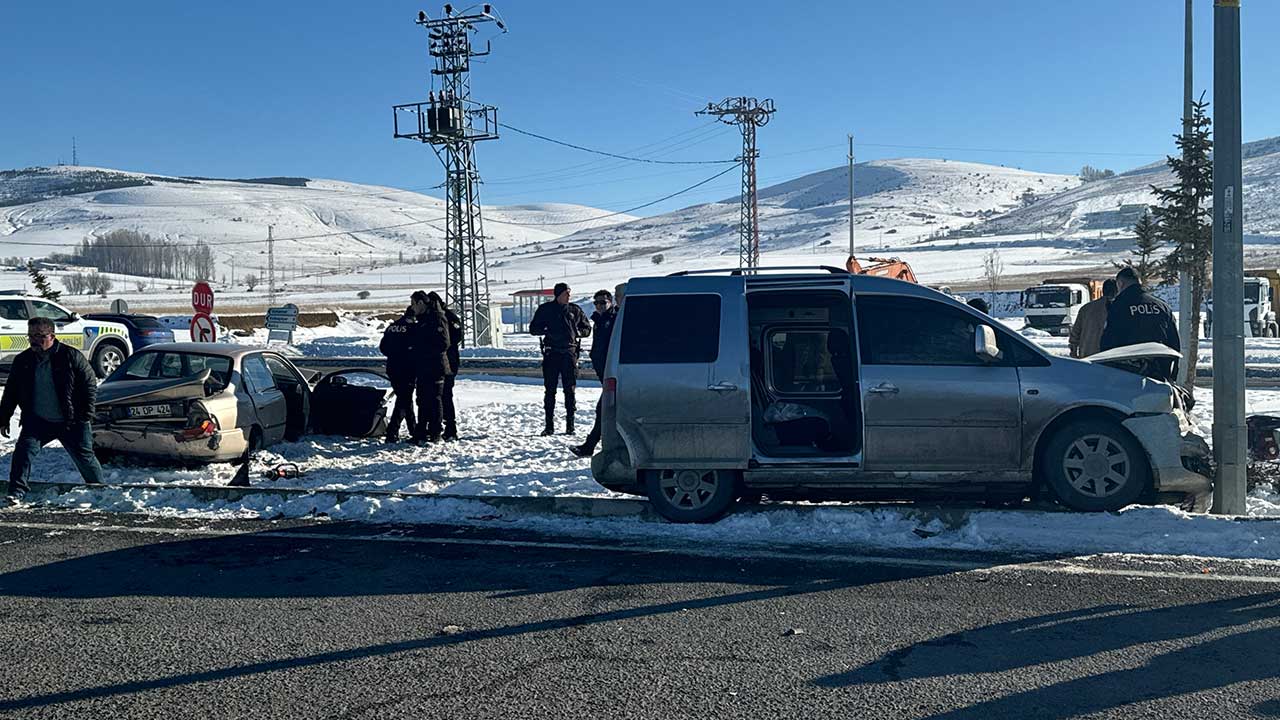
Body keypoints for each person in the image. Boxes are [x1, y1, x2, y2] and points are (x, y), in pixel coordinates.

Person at [0, 317, 104, 504]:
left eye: (40, 336)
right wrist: (4, 417)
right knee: (23, 453)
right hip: (38, 421)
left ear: (52, 336)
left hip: (71, 420)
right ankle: (16, 492)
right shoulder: (23, 360)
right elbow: (11, 391)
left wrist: (85, 415)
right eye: (31, 336)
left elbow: (89, 384)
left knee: (85, 457)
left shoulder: (70, 356)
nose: (34, 341)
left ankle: (100, 490)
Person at [530, 282, 591, 436]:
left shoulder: (574, 310)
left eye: (569, 293)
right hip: (552, 353)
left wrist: (577, 332)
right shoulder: (546, 310)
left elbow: (587, 329)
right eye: (565, 293)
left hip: (569, 353)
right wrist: (547, 330)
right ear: (558, 295)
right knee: (550, 390)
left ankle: (570, 426)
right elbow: (533, 329)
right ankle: (549, 425)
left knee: (570, 390)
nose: (568, 296)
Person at [1099, 267, 1180, 379]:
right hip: (1159, 374)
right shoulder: (1162, 306)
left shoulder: (1119, 305)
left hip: (1126, 373)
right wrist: (1172, 374)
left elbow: (1109, 339)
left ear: (1120, 283)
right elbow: (1174, 342)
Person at [571, 289, 619, 457]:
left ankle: (590, 446)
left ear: (610, 302)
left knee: (603, 410)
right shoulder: (599, 320)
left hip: (614, 373)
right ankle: (592, 446)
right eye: (596, 303)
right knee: (605, 410)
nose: (599, 306)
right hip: (604, 373)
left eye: (602, 303)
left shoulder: (615, 319)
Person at [408, 290, 451, 443]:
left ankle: (435, 432)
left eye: (413, 304)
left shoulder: (437, 318)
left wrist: (422, 349)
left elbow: (444, 343)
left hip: (435, 366)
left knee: (434, 400)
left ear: (421, 303)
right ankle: (421, 431)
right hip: (423, 366)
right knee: (422, 399)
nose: (412, 307)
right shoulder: (421, 320)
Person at [379, 304, 418, 443]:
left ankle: (413, 429)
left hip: (392, 367)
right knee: (404, 399)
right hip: (407, 368)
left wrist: (394, 354)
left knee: (405, 398)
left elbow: (383, 347)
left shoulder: (392, 327)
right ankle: (392, 432)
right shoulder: (413, 328)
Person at [429, 291, 464, 442]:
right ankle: (438, 425)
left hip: (449, 361)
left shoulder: (448, 317)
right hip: (439, 361)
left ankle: (450, 427)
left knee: (445, 394)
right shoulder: (433, 318)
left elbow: (457, 336)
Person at [1069, 279, 1118, 359]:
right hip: (1111, 355)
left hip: (1088, 353)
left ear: (1103, 291)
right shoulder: (1118, 308)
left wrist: (1073, 351)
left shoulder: (1086, 309)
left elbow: (1075, 333)